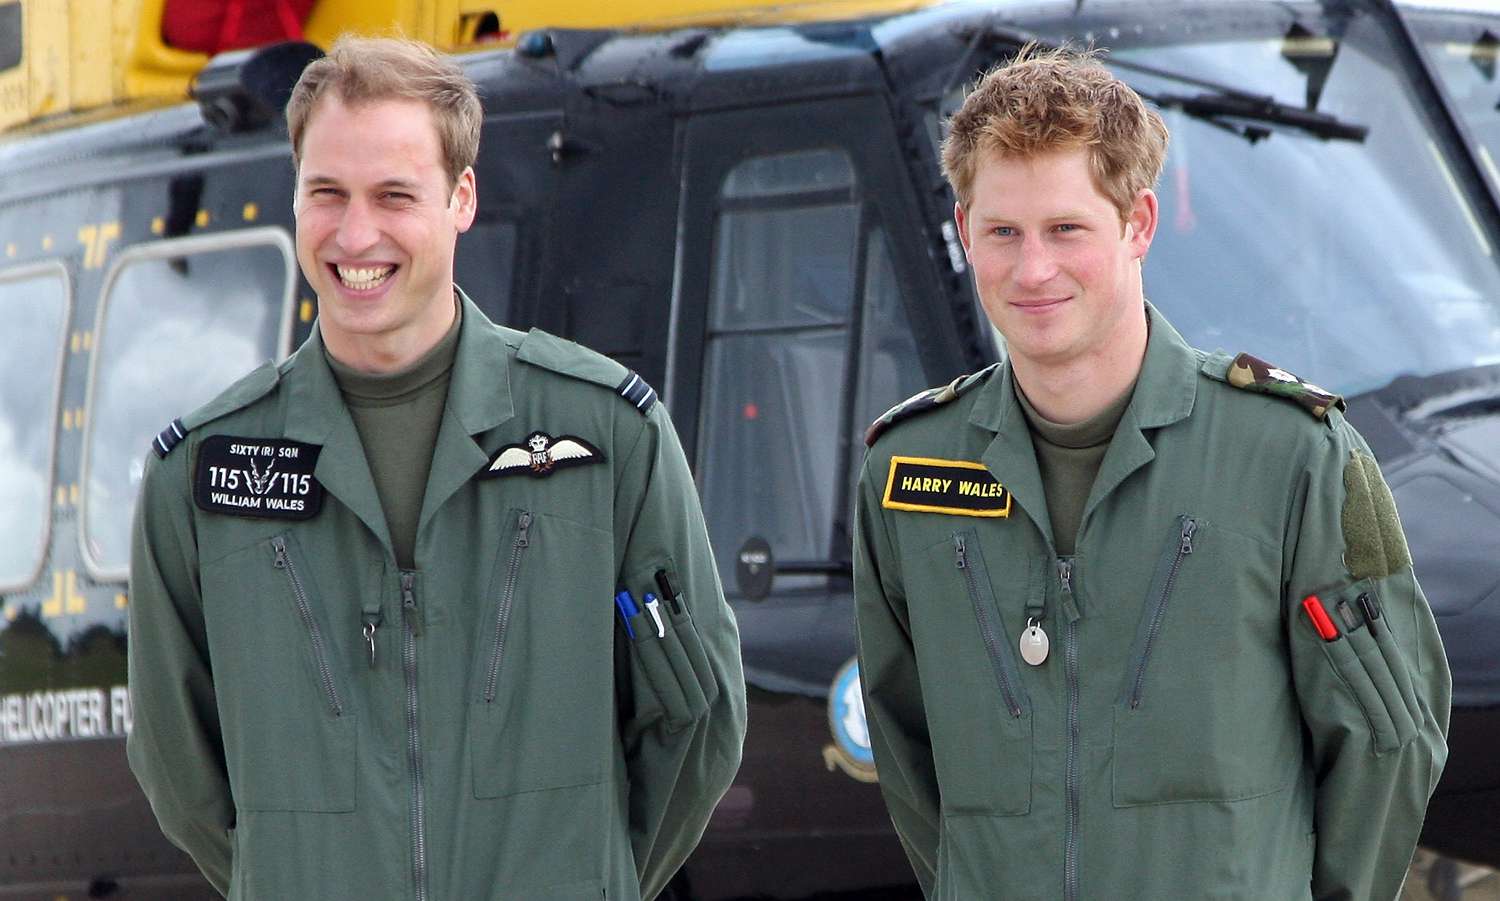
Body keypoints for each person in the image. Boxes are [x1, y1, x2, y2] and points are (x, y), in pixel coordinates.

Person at [127, 35, 745, 900]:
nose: (356, 233)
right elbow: (179, 771)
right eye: (327, 193)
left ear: (461, 197)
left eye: (394, 195)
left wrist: (584, 875)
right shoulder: (199, 477)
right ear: (294, 196)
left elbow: (696, 717)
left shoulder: (607, 434)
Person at [853, 45, 1449, 900]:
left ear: (1137, 224)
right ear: (963, 231)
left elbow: (1390, 740)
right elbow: (908, 758)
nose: (1033, 270)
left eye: (1066, 228)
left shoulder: (1290, 456)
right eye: (1003, 233)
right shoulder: (907, 471)